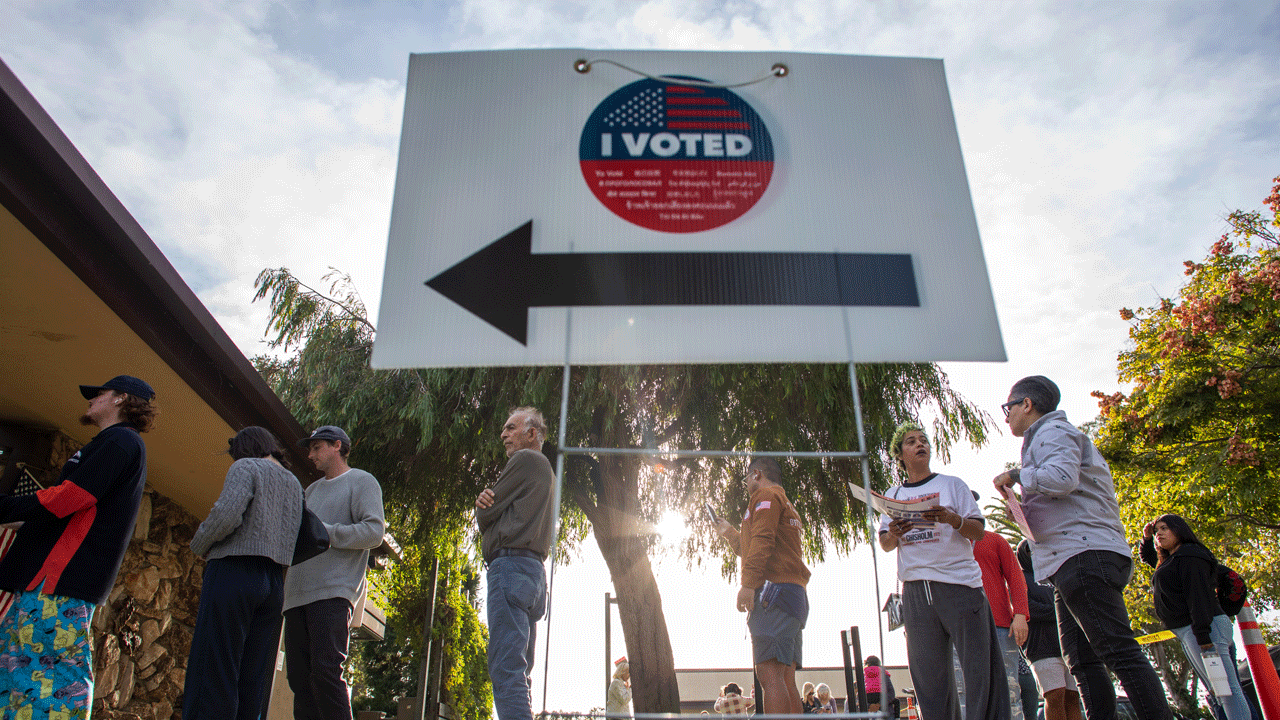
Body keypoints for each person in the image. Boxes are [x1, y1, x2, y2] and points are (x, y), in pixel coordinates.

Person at [994, 376, 1171, 720]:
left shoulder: (1052, 433)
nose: (1007, 416)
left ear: (1027, 404)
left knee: (1117, 651)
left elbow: (1061, 479)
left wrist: (1017, 475)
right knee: (1081, 661)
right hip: (1066, 562)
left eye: (1009, 407)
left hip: (1083, 555)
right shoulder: (1042, 440)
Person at [0, 375, 156, 718]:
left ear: (120, 399)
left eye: (98, 394)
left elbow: (68, 499)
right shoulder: (109, 444)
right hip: (43, 582)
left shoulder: (120, 442)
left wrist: (5, 506)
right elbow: (56, 514)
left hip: (59, 584)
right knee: (17, 674)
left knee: (54, 680)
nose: (90, 400)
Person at [879, 421, 1010, 720]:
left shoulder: (953, 485)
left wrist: (952, 519)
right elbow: (885, 543)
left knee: (979, 671)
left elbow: (978, 532)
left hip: (959, 585)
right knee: (929, 677)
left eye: (923, 439)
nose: (920, 444)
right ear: (899, 454)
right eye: (911, 441)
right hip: (915, 591)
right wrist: (896, 532)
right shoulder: (893, 493)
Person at [184, 427, 304, 720]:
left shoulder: (246, 466)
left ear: (245, 449)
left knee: (214, 667)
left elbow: (225, 515)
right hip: (275, 583)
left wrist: (198, 544)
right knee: (253, 674)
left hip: (234, 572)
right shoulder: (294, 483)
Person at [283, 425, 386, 720]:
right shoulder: (311, 491)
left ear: (337, 446)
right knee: (299, 681)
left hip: (333, 592)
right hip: (295, 595)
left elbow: (374, 532)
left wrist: (325, 532)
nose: (310, 454)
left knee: (326, 672)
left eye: (317, 447)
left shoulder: (361, 482)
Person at [475, 408, 557, 720]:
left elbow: (485, 514)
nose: (503, 434)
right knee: (521, 669)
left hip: (510, 568)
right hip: (533, 574)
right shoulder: (546, 471)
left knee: (506, 666)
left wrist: (482, 504)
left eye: (511, 428)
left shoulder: (524, 460)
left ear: (532, 433)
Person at [715, 457, 811, 715]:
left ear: (756, 474)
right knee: (785, 677)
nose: (745, 484)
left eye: (745, 478)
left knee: (769, 675)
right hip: (793, 596)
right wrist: (728, 532)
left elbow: (762, 540)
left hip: (772, 595)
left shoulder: (765, 496)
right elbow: (752, 546)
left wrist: (748, 585)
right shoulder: (784, 501)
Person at [1140, 515, 1249, 720]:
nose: (1159, 534)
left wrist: (1203, 637)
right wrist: (1146, 540)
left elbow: (1197, 596)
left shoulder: (1190, 556)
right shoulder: (1172, 559)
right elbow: (1149, 559)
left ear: (1179, 530)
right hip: (1191, 631)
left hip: (1205, 629)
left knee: (1227, 690)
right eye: (1156, 532)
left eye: (1164, 529)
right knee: (1218, 692)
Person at [972, 511, 1031, 720]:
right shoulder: (946, 545)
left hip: (1000, 627)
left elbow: (1015, 576)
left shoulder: (994, 540)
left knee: (1008, 690)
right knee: (964, 693)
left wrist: (1021, 614)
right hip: (960, 628)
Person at [1017, 539, 1082, 720]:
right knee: (1054, 695)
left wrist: (1062, 610)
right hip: (1041, 648)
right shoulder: (1020, 578)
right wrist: (1061, 610)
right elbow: (1028, 609)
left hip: (1067, 645)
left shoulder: (1054, 576)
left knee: (1073, 697)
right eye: (1031, 550)